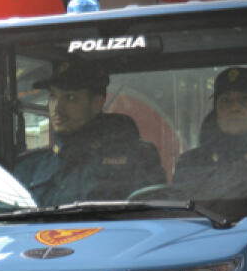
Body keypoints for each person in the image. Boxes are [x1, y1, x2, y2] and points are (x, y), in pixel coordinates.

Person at [14, 59, 164, 206]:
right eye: (53, 96)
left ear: (97, 103)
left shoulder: (136, 159)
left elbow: (152, 217)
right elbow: (2, 218)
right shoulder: (30, 167)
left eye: (70, 98)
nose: (57, 108)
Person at [173, 66, 247, 199]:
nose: (234, 108)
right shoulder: (191, 163)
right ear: (216, 111)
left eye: (244, 100)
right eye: (225, 101)